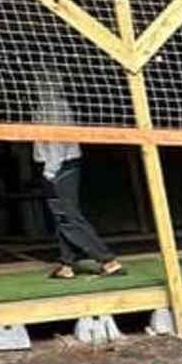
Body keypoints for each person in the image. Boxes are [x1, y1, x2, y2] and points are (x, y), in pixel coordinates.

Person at [30, 69, 122, 276]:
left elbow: (54, 139)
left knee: (67, 216)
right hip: (63, 165)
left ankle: (107, 260)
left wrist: (50, 170)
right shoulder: (55, 103)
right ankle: (67, 264)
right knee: (63, 215)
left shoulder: (51, 105)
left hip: (58, 166)